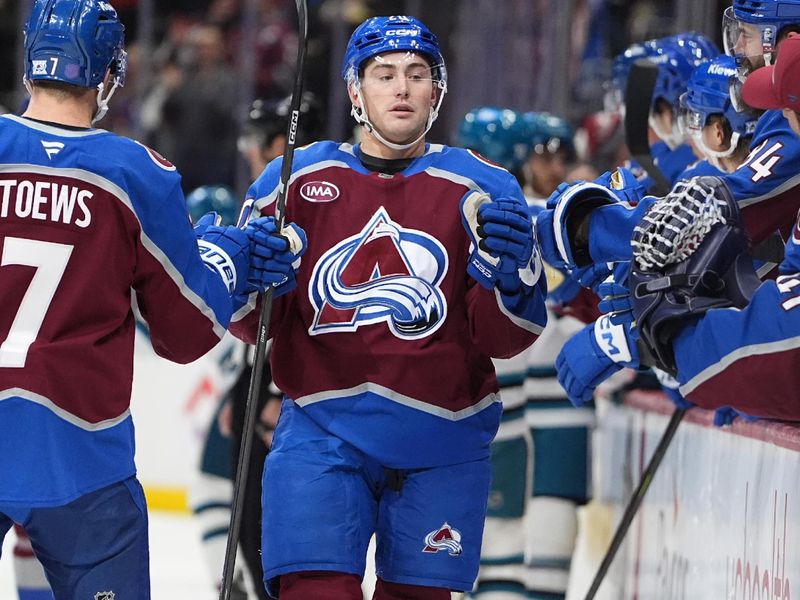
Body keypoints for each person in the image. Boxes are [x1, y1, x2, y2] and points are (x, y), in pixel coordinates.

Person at [230, 15, 548, 600]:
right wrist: (256, 280)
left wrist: (514, 278)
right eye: (383, 75)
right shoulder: (293, 183)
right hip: (324, 434)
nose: (401, 88)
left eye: (416, 74)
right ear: (355, 91)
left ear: (437, 89)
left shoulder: (485, 190)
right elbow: (251, 325)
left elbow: (506, 339)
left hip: (444, 443)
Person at [0, 2, 279, 598]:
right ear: (108, 75)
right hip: (80, 452)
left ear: (30, 66)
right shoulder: (134, 173)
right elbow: (187, 331)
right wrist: (228, 258)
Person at [623, 31, 800, 421]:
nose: (779, 119)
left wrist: (687, 354)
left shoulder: (714, 185)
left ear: (718, 132)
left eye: (787, 107)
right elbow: (788, 279)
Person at [458, 107, 593, 600]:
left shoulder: (543, 216)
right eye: (547, 153)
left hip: (526, 417)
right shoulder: (546, 219)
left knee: (509, 565)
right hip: (514, 416)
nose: (558, 166)